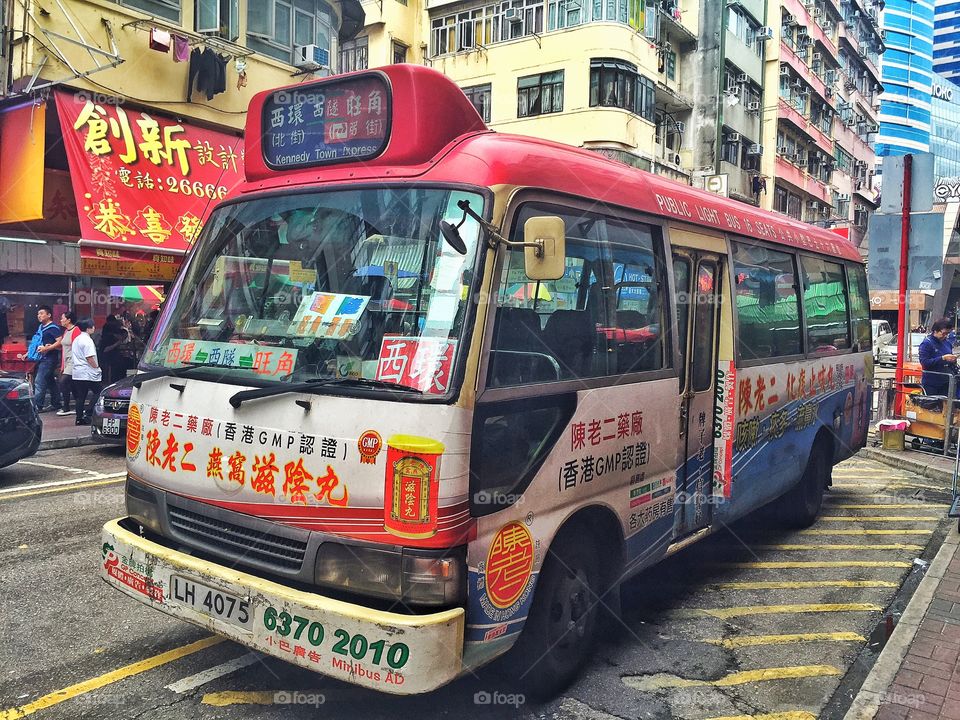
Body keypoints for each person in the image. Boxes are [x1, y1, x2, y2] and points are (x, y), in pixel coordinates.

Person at [20, 306, 62, 412]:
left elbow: (60, 341)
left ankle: (37, 406)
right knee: (50, 381)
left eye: (42, 313)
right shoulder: (41, 327)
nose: (39, 316)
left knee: (39, 382)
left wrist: (47, 348)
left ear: (49, 315)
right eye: (38, 314)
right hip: (41, 358)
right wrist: (27, 353)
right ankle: (56, 403)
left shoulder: (53, 328)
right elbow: (37, 343)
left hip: (49, 359)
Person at [71, 319, 102, 425]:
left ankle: (79, 418)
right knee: (99, 392)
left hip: (77, 372)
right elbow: (89, 357)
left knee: (81, 396)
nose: (94, 328)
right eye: (93, 326)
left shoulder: (77, 339)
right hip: (88, 372)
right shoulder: (87, 340)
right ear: (89, 328)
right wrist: (97, 367)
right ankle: (88, 413)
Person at [918, 318, 959, 397]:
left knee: (949, 405)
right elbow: (924, 362)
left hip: (947, 381)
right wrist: (942, 358)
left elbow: (950, 362)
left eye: (947, 333)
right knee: (932, 407)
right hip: (932, 383)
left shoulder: (947, 343)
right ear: (935, 331)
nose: (945, 336)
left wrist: (952, 360)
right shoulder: (927, 343)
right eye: (943, 333)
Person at [53, 311, 81, 416]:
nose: (61, 320)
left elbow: (77, 348)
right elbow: (64, 349)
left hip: (73, 362)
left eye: (62, 318)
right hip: (66, 362)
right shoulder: (66, 331)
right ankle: (79, 405)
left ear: (69, 320)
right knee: (72, 385)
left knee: (63, 381)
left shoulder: (76, 330)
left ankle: (66, 407)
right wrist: (62, 365)